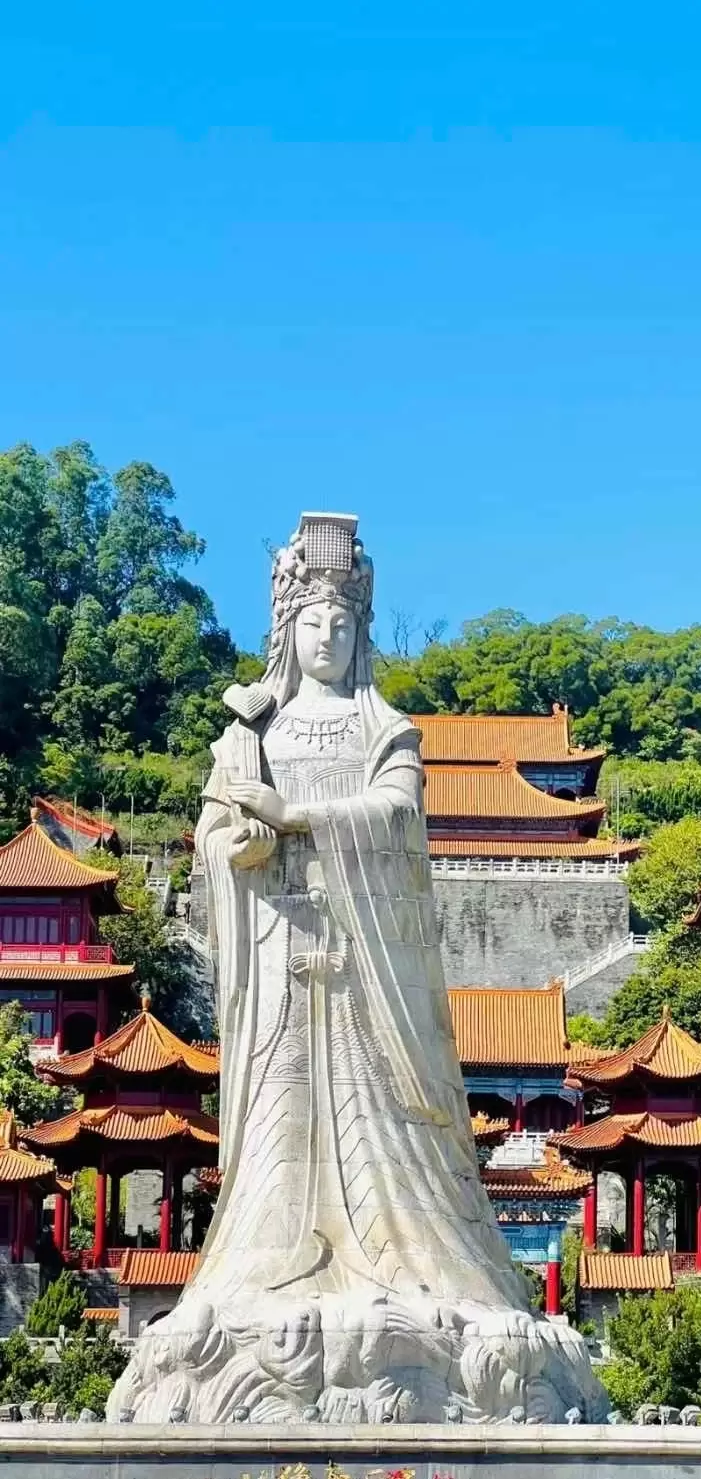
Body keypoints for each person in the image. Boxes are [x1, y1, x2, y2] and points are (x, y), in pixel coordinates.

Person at [108, 513, 605, 1425]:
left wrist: (295, 817)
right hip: (281, 955)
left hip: (369, 964)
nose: (328, 636)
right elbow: (215, 834)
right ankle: (268, 1266)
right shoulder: (251, 732)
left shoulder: (387, 729)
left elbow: (397, 819)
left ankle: (409, 1267)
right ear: (285, 630)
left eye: (343, 622)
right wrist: (241, 843)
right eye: (313, 622)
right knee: (277, 1114)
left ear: (362, 630)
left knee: (384, 1117)